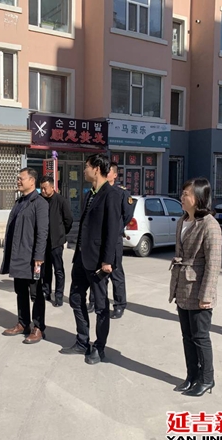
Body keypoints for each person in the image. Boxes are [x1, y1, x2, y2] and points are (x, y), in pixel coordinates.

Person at [60, 154, 122, 365]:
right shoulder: (90, 194)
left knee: (101, 306)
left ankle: (99, 347)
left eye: (86, 166)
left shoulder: (111, 195)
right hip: (81, 257)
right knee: (75, 298)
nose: (84, 170)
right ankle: (82, 341)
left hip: (98, 261)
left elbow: (112, 231)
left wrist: (107, 261)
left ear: (96, 168)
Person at [169, 178, 222, 397]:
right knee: (187, 336)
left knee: (200, 337)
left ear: (199, 198)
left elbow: (214, 263)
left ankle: (207, 379)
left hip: (199, 289)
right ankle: (191, 376)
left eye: (186, 194)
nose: (182, 197)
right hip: (182, 286)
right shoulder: (183, 221)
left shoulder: (210, 225)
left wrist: (206, 295)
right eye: (182, 193)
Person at [0, 168, 49, 344]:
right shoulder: (20, 201)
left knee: (36, 294)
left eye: (21, 178)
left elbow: (42, 232)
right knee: (20, 291)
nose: (18, 181)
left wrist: (39, 257)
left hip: (32, 257)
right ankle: (23, 323)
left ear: (32, 181)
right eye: (18, 178)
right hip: (18, 255)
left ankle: (38, 327)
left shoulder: (40, 203)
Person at [87, 161, 135, 319]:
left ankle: (119, 304)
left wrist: (117, 228)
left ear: (114, 175)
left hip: (114, 239)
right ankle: (94, 300)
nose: (106, 174)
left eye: (109, 172)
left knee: (115, 272)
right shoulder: (96, 192)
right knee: (97, 271)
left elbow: (127, 215)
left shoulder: (121, 193)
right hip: (98, 240)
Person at [39, 175, 73, 307]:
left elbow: (68, 220)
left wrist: (61, 233)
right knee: (45, 269)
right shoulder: (40, 200)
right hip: (43, 241)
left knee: (58, 269)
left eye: (45, 188)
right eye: (41, 188)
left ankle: (59, 295)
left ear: (52, 187)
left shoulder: (61, 200)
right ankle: (46, 291)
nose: (43, 191)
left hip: (56, 242)